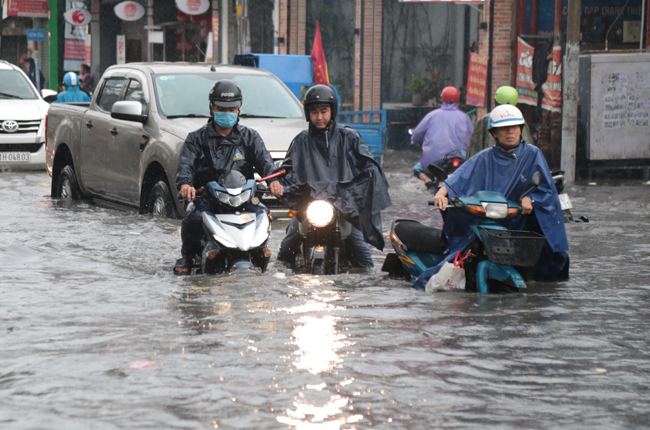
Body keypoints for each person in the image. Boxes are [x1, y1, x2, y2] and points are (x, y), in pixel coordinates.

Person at [413, 105, 569, 289]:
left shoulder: (532, 154)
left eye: (515, 127)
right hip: (488, 220)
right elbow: (459, 177)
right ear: (494, 133)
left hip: (517, 220)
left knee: (550, 263)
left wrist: (531, 199)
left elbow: (546, 188)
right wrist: (441, 193)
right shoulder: (484, 157)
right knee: (456, 258)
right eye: (504, 128)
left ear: (521, 129)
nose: (510, 132)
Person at [173, 79, 283, 275]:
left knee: (264, 212)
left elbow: (266, 162)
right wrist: (185, 184)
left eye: (232, 109)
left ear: (239, 109)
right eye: (221, 108)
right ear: (211, 108)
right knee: (194, 217)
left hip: (244, 199)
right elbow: (185, 166)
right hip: (207, 200)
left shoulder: (250, 137)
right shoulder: (196, 139)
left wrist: (273, 180)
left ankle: (261, 252)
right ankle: (187, 256)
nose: (227, 113)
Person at [277, 84, 391, 268]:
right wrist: (277, 181)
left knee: (363, 256)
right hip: (309, 205)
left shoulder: (350, 138)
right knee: (286, 247)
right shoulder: (301, 141)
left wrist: (368, 176)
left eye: (324, 111)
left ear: (333, 111)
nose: (319, 117)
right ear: (307, 113)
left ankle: (368, 287)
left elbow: (368, 164)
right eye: (314, 112)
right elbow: (287, 169)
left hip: (342, 205)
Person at [411, 86, 473, 189]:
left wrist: (415, 141)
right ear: (458, 99)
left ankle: (427, 180)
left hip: (433, 161)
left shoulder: (432, 115)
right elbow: (473, 138)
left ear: (442, 98)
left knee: (417, 168)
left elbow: (417, 134)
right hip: (460, 159)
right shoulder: (465, 117)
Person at [465, 86, 534, 159]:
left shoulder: (484, 120)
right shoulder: (519, 120)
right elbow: (529, 149)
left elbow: (473, 151)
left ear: (495, 102)